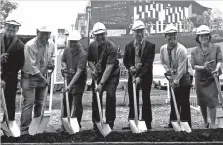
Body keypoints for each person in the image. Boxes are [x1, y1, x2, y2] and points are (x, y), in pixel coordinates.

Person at [20, 25, 55, 135]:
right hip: (29, 76)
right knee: (29, 103)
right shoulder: (30, 45)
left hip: (42, 76)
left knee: (40, 103)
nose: (45, 36)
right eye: (42, 33)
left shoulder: (51, 44)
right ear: (37, 32)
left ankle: (36, 129)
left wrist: (51, 64)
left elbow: (51, 57)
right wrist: (45, 80)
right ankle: (25, 130)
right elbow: (32, 67)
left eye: (47, 33)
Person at [123, 20, 155, 130]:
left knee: (146, 98)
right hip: (132, 76)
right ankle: (133, 120)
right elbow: (126, 60)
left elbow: (148, 64)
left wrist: (140, 77)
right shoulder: (128, 46)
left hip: (145, 76)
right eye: (137, 32)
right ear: (133, 33)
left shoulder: (150, 46)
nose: (139, 34)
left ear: (144, 32)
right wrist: (130, 67)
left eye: (141, 31)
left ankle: (147, 122)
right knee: (133, 99)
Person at [88, 22, 120, 130]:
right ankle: (96, 122)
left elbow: (109, 68)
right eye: (97, 35)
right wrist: (93, 70)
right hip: (98, 74)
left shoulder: (112, 47)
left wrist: (101, 83)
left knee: (110, 96)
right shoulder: (91, 46)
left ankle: (110, 122)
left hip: (111, 75)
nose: (100, 37)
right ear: (93, 35)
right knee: (96, 97)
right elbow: (90, 60)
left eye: (102, 34)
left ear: (106, 33)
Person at [160, 23, 192, 128]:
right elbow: (163, 62)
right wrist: (168, 71)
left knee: (184, 100)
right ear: (165, 37)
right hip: (173, 75)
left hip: (184, 76)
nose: (172, 37)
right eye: (169, 35)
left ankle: (186, 123)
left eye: (174, 35)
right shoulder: (163, 49)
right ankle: (173, 122)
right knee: (174, 99)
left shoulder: (181, 50)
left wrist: (176, 81)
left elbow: (182, 68)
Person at [191, 25, 222, 129]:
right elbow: (193, 65)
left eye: (206, 35)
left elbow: (219, 60)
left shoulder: (216, 48)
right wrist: (203, 67)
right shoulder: (194, 51)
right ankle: (205, 122)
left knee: (212, 101)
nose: (204, 37)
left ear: (209, 36)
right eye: (201, 36)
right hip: (200, 79)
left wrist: (217, 68)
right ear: (198, 38)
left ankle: (213, 123)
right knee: (202, 102)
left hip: (213, 78)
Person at [59, 30, 87, 131]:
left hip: (79, 81)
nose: (73, 44)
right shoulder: (67, 49)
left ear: (79, 41)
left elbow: (79, 73)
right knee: (66, 100)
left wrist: (70, 86)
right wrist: (64, 67)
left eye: (75, 41)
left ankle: (76, 124)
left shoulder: (83, 54)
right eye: (71, 41)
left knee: (77, 102)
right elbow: (62, 61)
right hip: (69, 77)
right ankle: (65, 125)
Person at [0, 18, 24, 134]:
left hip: (10, 77)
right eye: (9, 26)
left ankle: (9, 123)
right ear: (4, 26)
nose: (11, 29)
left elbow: (19, 65)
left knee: (10, 101)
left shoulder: (20, 46)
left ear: (17, 29)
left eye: (14, 27)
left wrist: (5, 79)